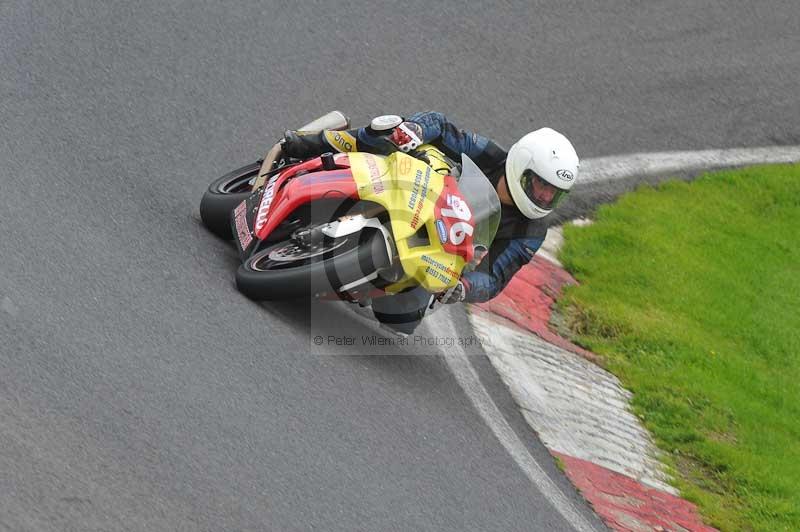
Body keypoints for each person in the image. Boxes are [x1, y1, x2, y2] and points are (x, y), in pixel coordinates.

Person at [280, 111, 579, 335]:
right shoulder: (491, 155)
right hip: (414, 193)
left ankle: (363, 279)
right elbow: (444, 128)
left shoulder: (532, 232)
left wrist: (463, 287)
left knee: (401, 322)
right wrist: (416, 129)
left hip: (438, 254)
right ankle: (311, 144)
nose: (544, 196)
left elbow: (495, 277)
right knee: (385, 133)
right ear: (521, 165)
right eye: (540, 184)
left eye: (553, 193)